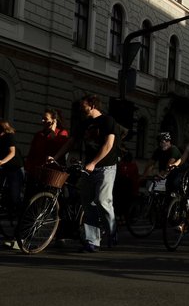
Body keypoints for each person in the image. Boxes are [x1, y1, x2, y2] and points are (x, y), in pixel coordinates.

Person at [50, 95, 120, 253]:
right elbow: (70, 142)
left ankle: (112, 230)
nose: (81, 109)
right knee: (88, 204)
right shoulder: (83, 124)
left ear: (93, 105)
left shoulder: (108, 121)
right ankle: (92, 240)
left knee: (102, 201)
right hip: (88, 168)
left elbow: (109, 145)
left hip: (106, 167)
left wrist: (94, 163)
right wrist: (56, 157)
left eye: (83, 106)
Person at [24, 109, 69, 195]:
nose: (42, 121)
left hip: (52, 174)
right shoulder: (39, 134)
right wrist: (28, 167)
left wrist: (53, 131)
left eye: (45, 119)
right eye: (42, 118)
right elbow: (32, 152)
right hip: (36, 171)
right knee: (30, 196)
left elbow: (59, 147)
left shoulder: (62, 133)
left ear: (53, 120)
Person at [0, 120, 25, 228]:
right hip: (5, 168)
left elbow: (12, 152)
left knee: (15, 196)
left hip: (15, 168)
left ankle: (22, 218)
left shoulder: (9, 136)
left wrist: (1, 161)